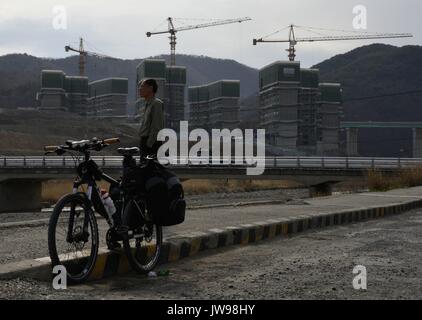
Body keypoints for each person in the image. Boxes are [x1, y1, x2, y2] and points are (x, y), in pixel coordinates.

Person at [138, 79, 165, 158]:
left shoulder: (156, 104)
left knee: (151, 169)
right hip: (145, 142)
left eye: (142, 86)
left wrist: (148, 145)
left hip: (152, 144)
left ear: (150, 88)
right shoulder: (147, 105)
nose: (140, 89)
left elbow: (156, 127)